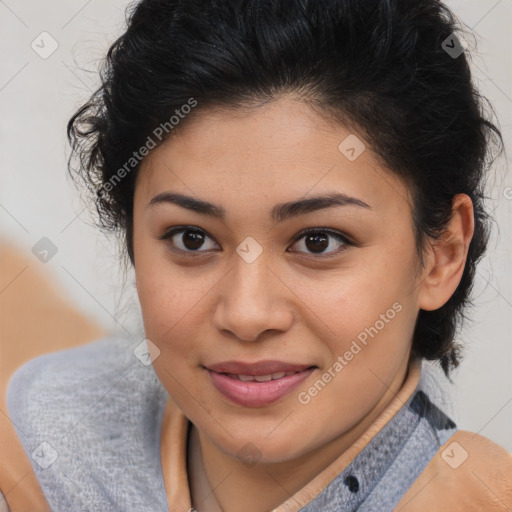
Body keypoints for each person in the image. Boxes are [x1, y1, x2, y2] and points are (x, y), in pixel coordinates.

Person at [6, 0, 512, 510]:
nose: (247, 315)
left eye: (318, 241)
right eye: (191, 238)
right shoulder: (38, 439)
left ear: (442, 255)